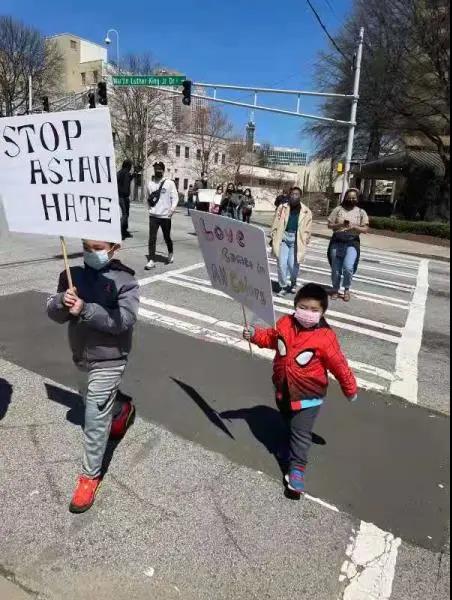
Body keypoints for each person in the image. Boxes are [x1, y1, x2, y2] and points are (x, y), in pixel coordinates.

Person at [47, 240, 140, 513]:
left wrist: (87, 309)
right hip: (81, 357)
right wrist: (60, 302)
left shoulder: (125, 280)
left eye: (98, 247)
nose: (91, 253)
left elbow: (124, 320)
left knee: (94, 419)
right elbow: (54, 315)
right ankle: (121, 410)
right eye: (87, 246)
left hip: (110, 359)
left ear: (114, 247)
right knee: (95, 405)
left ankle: (89, 477)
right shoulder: (70, 275)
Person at [243, 283, 357, 495]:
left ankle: (297, 470)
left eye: (315, 310)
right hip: (283, 388)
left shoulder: (325, 337)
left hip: (309, 395)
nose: (308, 313)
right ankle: (290, 442)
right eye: (304, 307)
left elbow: (339, 364)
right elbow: (270, 338)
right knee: (287, 419)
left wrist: (350, 388)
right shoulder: (285, 323)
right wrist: (255, 335)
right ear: (296, 306)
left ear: (323, 312)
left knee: (301, 433)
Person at [327, 188, 369, 302]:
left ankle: (346, 289)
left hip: (352, 241)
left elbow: (365, 229)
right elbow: (329, 225)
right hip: (338, 240)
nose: (351, 199)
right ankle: (335, 289)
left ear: (357, 199)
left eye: (353, 197)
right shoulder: (338, 209)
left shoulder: (361, 212)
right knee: (336, 268)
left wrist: (355, 227)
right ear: (345, 197)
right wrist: (340, 224)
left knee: (348, 267)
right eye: (349, 197)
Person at [271, 187, 313, 297]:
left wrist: (306, 239)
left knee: (292, 265)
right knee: (281, 264)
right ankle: (283, 286)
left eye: (297, 194)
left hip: (296, 239)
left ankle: (293, 282)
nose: (294, 196)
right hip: (283, 237)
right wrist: (273, 236)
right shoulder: (282, 207)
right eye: (292, 194)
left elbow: (308, 229)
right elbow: (276, 222)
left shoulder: (306, 211)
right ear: (289, 195)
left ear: (300, 196)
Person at [145, 162, 179, 270]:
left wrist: (172, 209)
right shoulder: (150, 183)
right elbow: (147, 198)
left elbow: (175, 197)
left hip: (165, 216)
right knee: (152, 238)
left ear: (163, 170)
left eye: (159, 169)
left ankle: (170, 253)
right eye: (156, 169)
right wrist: (150, 209)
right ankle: (151, 260)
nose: (157, 171)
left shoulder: (169, 183)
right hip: (153, 215)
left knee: (166, 237)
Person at [117, 159, 135, 240]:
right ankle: (120, 232)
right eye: (130, 165)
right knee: (125, 214)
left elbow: (127, 180)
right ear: (128, 165)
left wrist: (133, 175)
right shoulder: (123, 173)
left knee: (126, 214)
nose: (131, 167)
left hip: (124, 196)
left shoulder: (122, 173)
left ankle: (124, 231)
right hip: (122, 196)